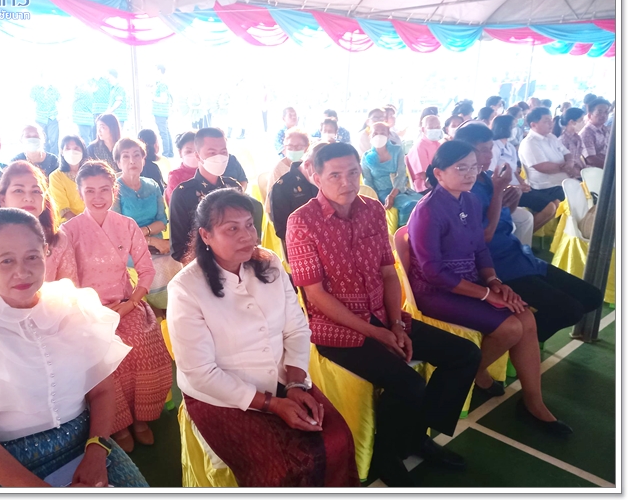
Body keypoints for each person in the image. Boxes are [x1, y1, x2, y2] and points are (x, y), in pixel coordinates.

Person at [0, 208, 148, 487]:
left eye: (32, 256)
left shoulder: (73, 309)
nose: (22, 271)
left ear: (46, 251)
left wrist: (96, 451)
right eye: (6, 261)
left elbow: (102, 391)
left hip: (86, 444)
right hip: (9, 462)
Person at [286, 143, 479, 487]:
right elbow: (316, 294)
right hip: (336, 328)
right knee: (409, 383)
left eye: (353, 173)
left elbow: (388, 273)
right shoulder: (301, 221)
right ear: (316, 177)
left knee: (465, 355)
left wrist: (394, 324)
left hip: (383, 314)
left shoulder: (372, 209)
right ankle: (386, 457)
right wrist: (376, 334)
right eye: (335, 175)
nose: (346, 182)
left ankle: (417, 435)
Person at [167, 189, 359, 487]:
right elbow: (201, 373)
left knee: (337, 438)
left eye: (249, 225)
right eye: (232, 228)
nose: (246, 235)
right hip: (223, 395)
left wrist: (295, 384)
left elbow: (297, 329)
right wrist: (273, 404)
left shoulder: (269, 263)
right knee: (275, 469)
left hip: (284, 376)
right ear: (205, 235)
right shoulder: (185, 288)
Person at [408, 141, 572, 438]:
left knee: (526, 317)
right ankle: (475, 374)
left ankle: (534, 403)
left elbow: (480, 247)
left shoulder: (469, 201)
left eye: (473, 167)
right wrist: (485, 294)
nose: (470, 173)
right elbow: (432, 272)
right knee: (510, 328)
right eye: (461, 168)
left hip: (471, 282)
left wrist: (495, 281)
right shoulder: (427, 211)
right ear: (439, 173)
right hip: (436, 291)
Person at [62, 162, 173, 453]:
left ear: (114, 190)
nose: (97, 196)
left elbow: (146, 270)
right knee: (102, 351)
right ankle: (119, 423)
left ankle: (142, 418)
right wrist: (94, 311)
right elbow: (66, 280)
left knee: (143, 340)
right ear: (79, 192)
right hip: (88, 311)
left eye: (103, 189)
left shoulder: (127, 225)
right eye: (89, 191)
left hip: (128, 303)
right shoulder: (68, 231)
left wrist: (133, 301)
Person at [461, 126, 604, 343]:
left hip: (519, 256)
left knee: (591, 297)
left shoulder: (488, 178)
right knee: (570, 310)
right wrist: (499, 192)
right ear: (465, 152)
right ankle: (515, 345)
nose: (488, 156)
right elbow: (484, 238)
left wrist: (512, 198)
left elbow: (504, 217)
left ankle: (520, 342)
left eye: (490, 149)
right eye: (482, 150)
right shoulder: (465, 188)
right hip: (497, 266)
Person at [0, 161, 78, 307]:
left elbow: (70, 292)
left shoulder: (57, 239)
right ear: (3, 199)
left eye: (36, 191)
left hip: (51, 320)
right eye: (19, 190)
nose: (28, 197)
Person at [169, 128, 263, 263]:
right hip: (201, 267)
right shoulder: (183, 194)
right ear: (197, 156)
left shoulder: (233, 186)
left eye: (223, 152)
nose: (219, 157)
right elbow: (178, 249)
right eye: (212, 153)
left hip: (240, 263)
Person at [112, 138, 181, 310]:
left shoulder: (152, 185)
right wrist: (150, 240)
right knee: (156, 266)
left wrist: (151, 237)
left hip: (158, 244)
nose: (132, 160)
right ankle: (155, 311)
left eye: (137, 155)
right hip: (127, 248)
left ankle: (174, 310)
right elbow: (118, 231)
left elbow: (162, 221)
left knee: (178, 260)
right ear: (118, 162)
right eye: (126, 156)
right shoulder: (114, 189)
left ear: (144, 159)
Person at [518, 108, 578, 223]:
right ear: (533, 124)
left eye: (551, 120)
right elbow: (543, 167)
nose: (551, 123)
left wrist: (570, 163)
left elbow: (568, 154)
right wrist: (566, 167)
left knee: (588, 192)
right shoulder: (530, 143)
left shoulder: (551, 137)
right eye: (546, 121)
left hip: (562, 182)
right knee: (577, 198)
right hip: (545, 187)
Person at [361, 122, 423, 228]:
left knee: (424, 202)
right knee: (409, 205)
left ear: (388, 135)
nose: (379, 136)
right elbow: (368, 182)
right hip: (381, 192)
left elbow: (401, 174)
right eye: (375, 133)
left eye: (383, 133)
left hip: (400, 189)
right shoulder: (366, 157)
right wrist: (375, 203)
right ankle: (403, 235)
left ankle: (421, 231)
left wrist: (393, 195)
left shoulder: (397, 150)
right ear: (370, 135)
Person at [487, 116, 534, 245]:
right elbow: (492, 175)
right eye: (513, 126)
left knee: (527, 217)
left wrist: (522, 183)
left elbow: (513, 170)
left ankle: (523, 250)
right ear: (504, 127)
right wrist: (516, 188)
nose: (515, 129)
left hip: (514, 188)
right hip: (503, 191)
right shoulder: (494, 147)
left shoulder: (511, 147)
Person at [269, 142, 323, 250]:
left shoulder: (327, 180)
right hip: (302, 247)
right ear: (308, 165)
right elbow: (282, 229)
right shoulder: (282, 187)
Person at [265, 128, 310, 214]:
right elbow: (271, 205)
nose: (294, 150)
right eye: (290, 146)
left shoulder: (310, 166)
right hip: (285, 213)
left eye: (298, 147)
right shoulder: (278, 169)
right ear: (285, 148)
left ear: (306, 147)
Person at [49, 135, 89, 223]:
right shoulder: (55, 177)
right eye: (67, 148)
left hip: (93, 221)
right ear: (62, 152)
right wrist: (85, 224)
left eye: (76, 148)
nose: (72, 152)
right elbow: (64, 210)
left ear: (83, 151)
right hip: (68, 225)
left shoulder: (91, 173)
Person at [406, 114, 443, 194]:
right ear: (423, 129)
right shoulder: (419, 146)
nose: (435, 130)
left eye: (438, 127)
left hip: (440, 180)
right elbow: (424, 174)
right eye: (431, 127)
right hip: (426, 185)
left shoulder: (438, 144)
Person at [29, 79, 61, 156]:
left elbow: (60, 101)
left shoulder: (54, 89)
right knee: (43, 140)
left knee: (54, 140)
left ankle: (54, 159)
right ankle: (43, 157)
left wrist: (61, 115)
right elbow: (30, 102)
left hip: (52, 118)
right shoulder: (35, 89)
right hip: (40, 119)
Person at [164, 131, 198, 204]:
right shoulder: (175, 176)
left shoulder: (208, 172)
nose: (194, 155)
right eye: (188, 151)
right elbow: (174, 204)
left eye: (197, 151)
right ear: (180, 152)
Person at [580, 97, 611, 168]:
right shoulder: (587, 133)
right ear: (589, 115)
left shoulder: (605, 129)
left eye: (606, 112)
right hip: (597, 172)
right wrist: (611, 168)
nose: (603, 115)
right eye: (599, 112)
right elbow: (591, 159)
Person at [152, 65, 174, 158]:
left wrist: (152, 98)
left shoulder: (162, 84)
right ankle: (169, 153)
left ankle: (166, 154)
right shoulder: (161, 83)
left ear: (159, 71)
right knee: (166, 132)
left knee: (163, 133)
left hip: (160, 112)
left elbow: (163, 99)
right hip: (162, 112)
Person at [73, 77, 96, 144]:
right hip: (88, 118)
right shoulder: (89, 90)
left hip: (82, 119)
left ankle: (87, 153)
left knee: (84, 139)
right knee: (87, 137)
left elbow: (71, 99)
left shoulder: (79, 90)